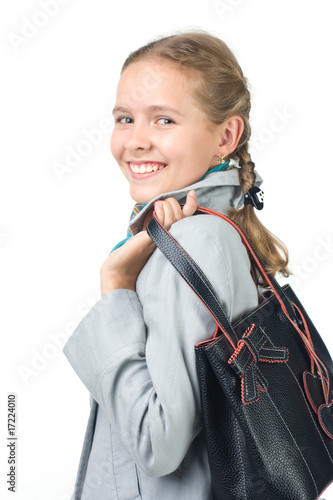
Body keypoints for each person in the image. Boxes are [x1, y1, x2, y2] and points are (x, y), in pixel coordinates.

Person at [63, 31, 289, 500]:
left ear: (225, 136)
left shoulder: (196, 239)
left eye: (163, 119)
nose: (136, 140)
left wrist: (117, 284)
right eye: (125, 118)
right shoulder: (199, 231)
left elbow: (158, 443)